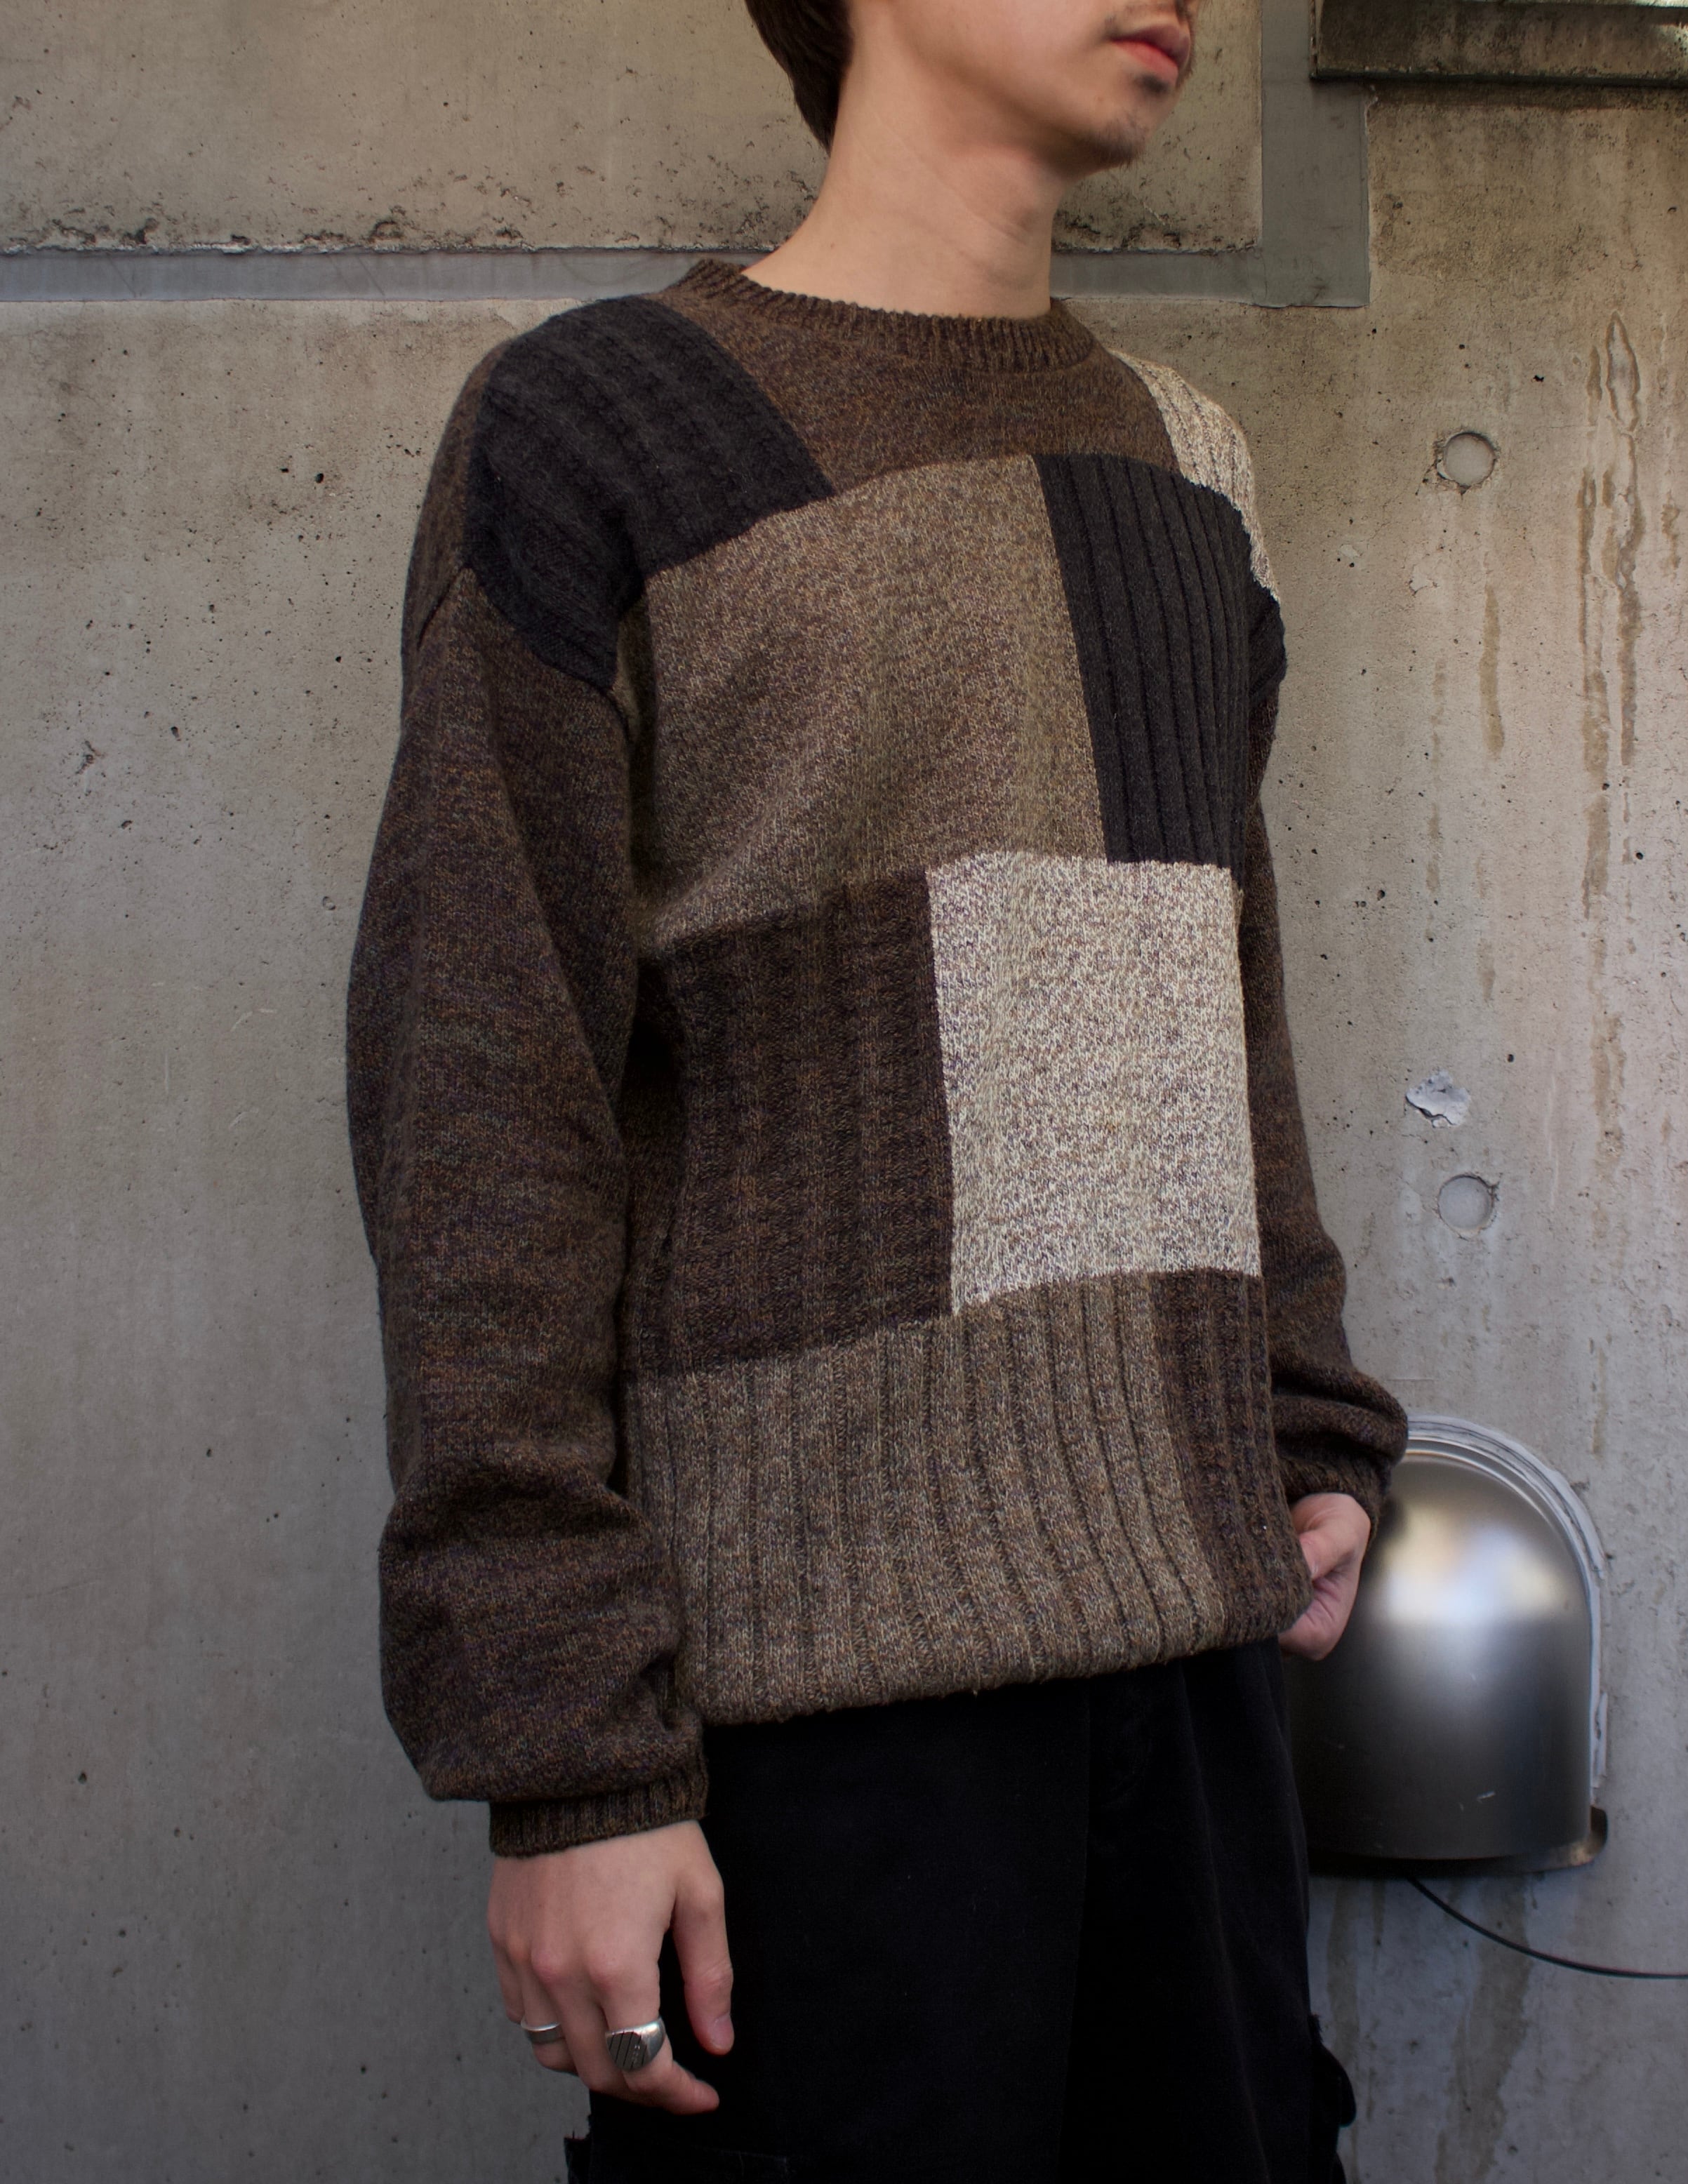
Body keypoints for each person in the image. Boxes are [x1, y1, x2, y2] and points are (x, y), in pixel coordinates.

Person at [346, 1, 1407, 2176]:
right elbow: (484, 1089)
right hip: (804, 1715)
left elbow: (1216, 983)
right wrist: (563, 1745)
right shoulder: (604, 425)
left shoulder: (1181, 460)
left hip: (1192, 1662)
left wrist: (1304, 1417)